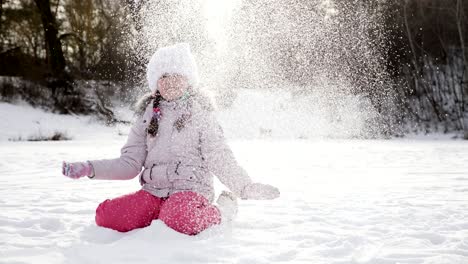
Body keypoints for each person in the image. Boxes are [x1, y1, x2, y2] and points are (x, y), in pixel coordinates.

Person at [62, 43, 280, 235]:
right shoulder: (146, 116)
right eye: (163, 76)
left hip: (190, 190)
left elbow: (219, 156)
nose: (170, 81)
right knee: (106, 216)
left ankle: (223, 210)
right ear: (155, 82)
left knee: (179, 219)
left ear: (189, 80)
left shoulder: (201, 114)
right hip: (153, 192)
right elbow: (129, 164)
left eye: (177, 75)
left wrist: (244, 186)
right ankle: (162, 215)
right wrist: (89, 168)